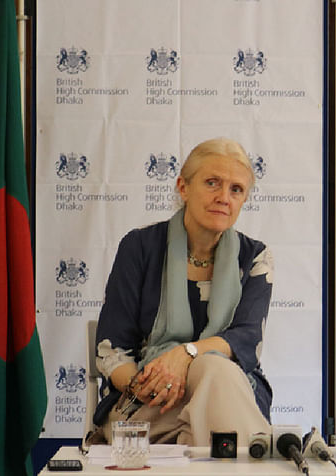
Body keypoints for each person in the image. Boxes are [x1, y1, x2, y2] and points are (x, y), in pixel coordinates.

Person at [93, 138, 273, 445]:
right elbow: (112, 348)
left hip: (229, 393)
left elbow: (246, 338)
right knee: (220, 423)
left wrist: (185, 354)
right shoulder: (139, 247)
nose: (223, 198)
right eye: (212, 183)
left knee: (214, 370)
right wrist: (149, 385)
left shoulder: (254, 258)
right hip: (149, 405)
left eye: (236, 189)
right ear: (183, 187)